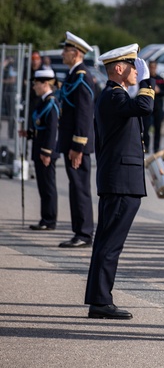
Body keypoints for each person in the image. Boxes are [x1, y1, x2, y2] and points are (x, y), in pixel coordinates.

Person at [84, 44, 154, 319]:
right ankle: (101, 301)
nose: (137, 71)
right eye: (133, 66)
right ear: (119, 68)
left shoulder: (115, 96)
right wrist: (147, 82)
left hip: (119, 180)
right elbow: (145, 107)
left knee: (106, 241)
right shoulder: (114, 96)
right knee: (110, 243)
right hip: (121, 182)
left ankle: (98, 298)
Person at [57, 31, 96, 248]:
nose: (63, 53)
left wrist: (78, 145)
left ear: (76, 53)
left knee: (80, 187)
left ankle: (84, 233)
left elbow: (84, 112)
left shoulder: (82, 76)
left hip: (77, 143)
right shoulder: (74, 74)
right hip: (72, 141)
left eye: (66, 50)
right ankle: (79, 231)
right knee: (75, 186)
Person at [27, 67, 60, 231]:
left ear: (45, 84)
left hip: (46, 151)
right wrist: (28, 132)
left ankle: (50, 219)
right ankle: (45, 218)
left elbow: (52, 130)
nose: (34, 87)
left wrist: (46, 151)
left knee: (48, 186)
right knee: (42, 185)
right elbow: (40, 125)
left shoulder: (51, 103)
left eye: (36, 84)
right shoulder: (43, 101)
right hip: (39, 148)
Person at [142, 60, 164, 152]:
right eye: (151, 67)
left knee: (158, 128)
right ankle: (147, 146)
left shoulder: (160, 79)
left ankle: (156, 148)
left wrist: (159, 91)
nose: (152, 69)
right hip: (148, 106)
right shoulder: (146, 79)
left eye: (154, 67)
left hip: (158, 107)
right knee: (146, 127)